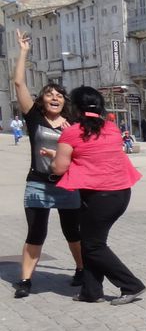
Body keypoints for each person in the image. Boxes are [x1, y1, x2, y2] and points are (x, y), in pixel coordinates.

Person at [51, 87, 144, 305]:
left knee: (93, 245)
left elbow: (59, 168)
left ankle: (131, 285)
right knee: (91, 241)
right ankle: (91, 291)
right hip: (120, 192)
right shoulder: (111, 128)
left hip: (99, 196)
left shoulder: (71, 132)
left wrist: (55, 154)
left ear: (74, 107)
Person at [10, 29, 84, 299]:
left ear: (65, 102)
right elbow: (18, 83)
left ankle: (80, 269)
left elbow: (82, 155)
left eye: (59, 95)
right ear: (42, 100)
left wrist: (71, 135)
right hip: (38, 184)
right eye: (49, 94)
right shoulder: (34, 119)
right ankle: (25, 280)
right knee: (35, 233)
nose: (55, 97)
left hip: (66, 184)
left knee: (73, 233)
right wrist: (24, 52)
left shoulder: (73, 124)